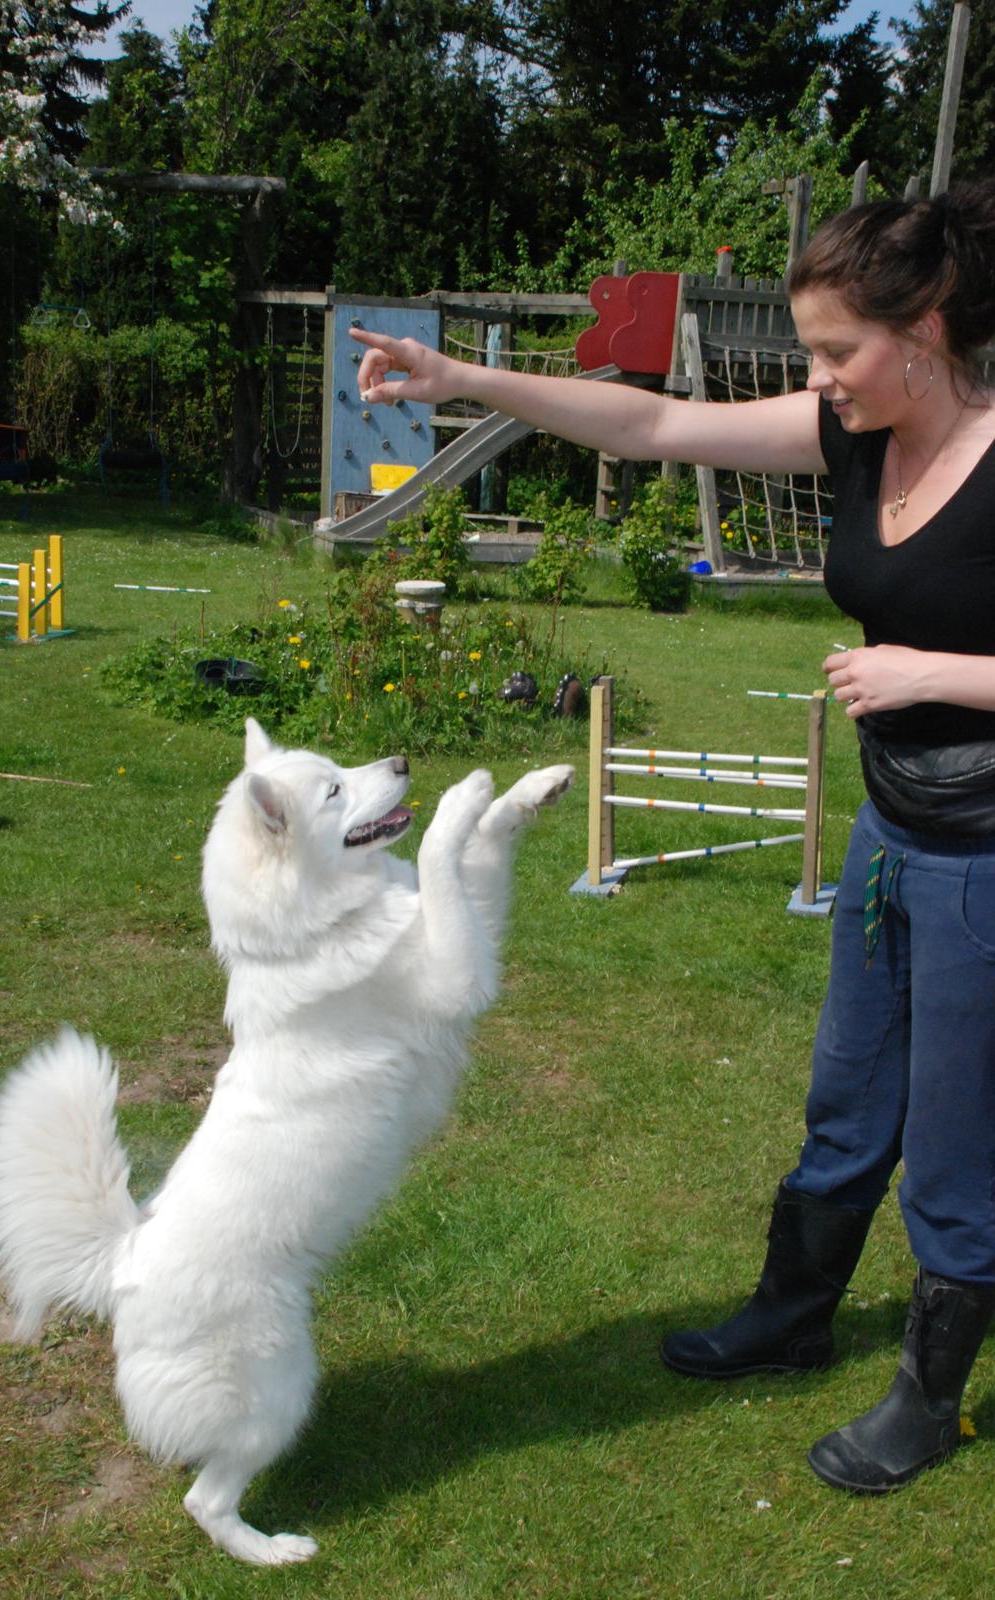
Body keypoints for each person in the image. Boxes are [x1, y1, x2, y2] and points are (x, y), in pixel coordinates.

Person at [353, 180, 995, 1495]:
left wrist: (939, 674)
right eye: (810, 355)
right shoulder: (853, 431)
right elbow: (649, 419)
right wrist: (460, 372)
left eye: (837, 352)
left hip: (990, 854)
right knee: (849, 1094)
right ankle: (792, 1317)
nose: (819, 379)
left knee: (959, 1135)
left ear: (926, 328)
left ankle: (929, 1396)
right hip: (892, 829)